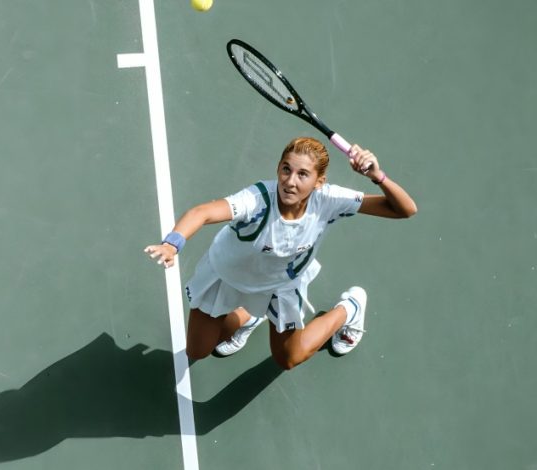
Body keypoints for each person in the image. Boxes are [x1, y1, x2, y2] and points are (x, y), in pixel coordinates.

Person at [144, 137, 417, 370]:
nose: (290, 181)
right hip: (227, 277)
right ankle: (252, 315)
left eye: (302, 174)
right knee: (198, 350)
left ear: (319, 182)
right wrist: (172, 243)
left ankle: (349, 309)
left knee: (288, 358)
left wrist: (377, 177)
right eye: (286, 169)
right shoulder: (257, 200)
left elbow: (405, 210)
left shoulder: (329, 200)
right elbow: (202, 213)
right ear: (278, 168)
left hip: (280, 286)